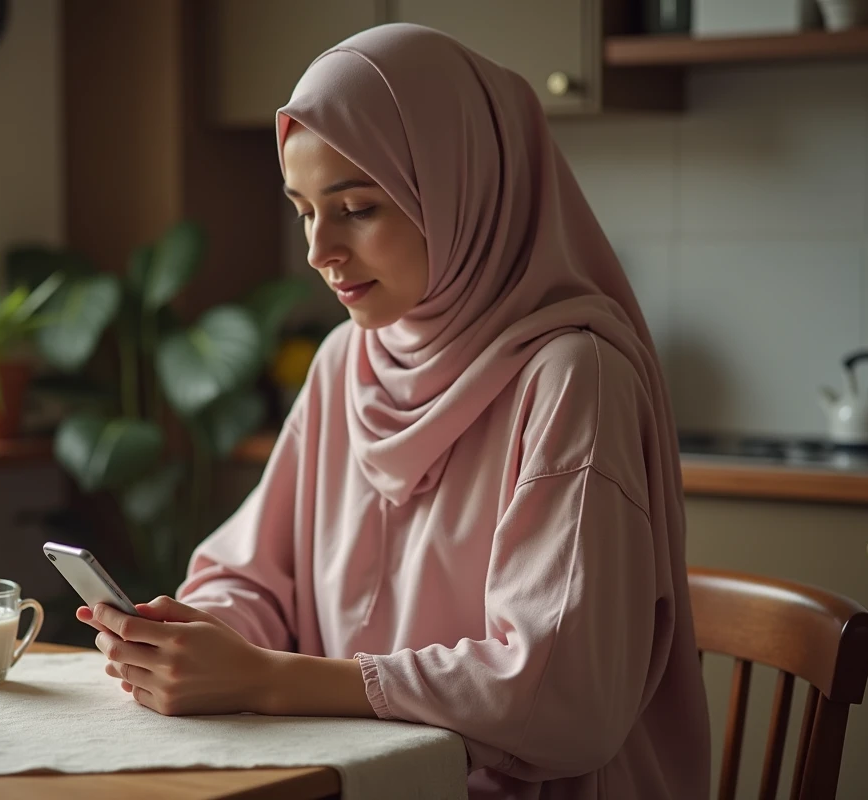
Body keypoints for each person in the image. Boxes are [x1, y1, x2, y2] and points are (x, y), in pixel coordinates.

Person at [76, 22, 712, 799]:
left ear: (459, 188)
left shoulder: (575, 377)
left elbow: (558, 694)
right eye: (304, 209)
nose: (319, 250)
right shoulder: (349, 360)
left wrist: (274, 682)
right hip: (362, 779)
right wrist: (200, 634)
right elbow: (255, 575)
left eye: (357, 208)